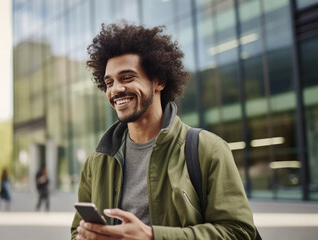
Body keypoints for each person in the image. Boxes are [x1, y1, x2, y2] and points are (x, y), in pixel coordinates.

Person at [71, 22, 258, 240]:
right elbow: (77, 231)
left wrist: (151, 236)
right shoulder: (97, 162)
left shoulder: (208, 149)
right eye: (109, 82)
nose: (116, 89)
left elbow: (239, 232)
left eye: (127, 78)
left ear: (158, 81)